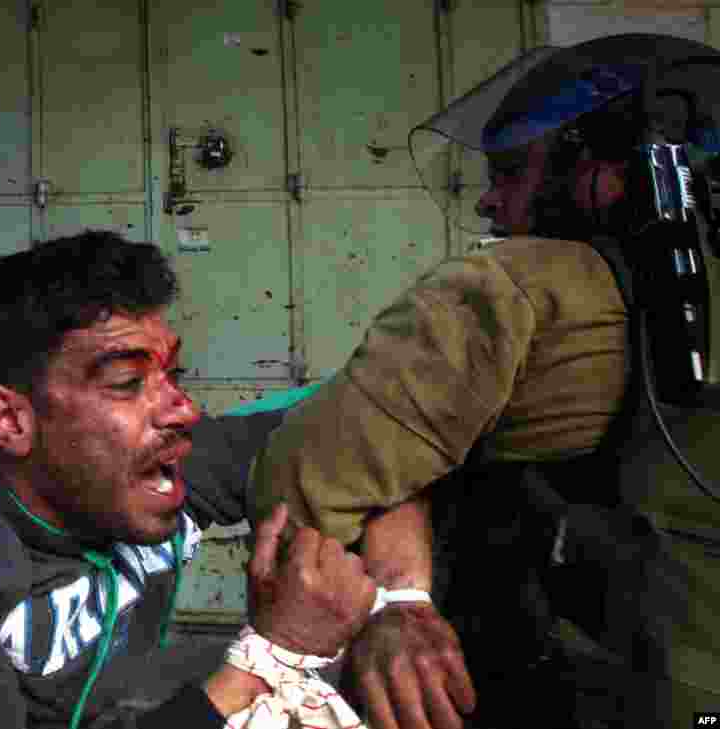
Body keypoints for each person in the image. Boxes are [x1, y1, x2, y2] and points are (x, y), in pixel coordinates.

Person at [250, 33, 720, 729]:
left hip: (562, 693)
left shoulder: (509, 293)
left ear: (595, 174)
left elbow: (301, 484)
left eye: (509, 173)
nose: (490, 203)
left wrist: (392, 604)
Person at [0, 230, 382, 729]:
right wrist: (269, 659)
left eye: (171, 374)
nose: (183, 411)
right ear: (12, 419)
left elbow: (373, 421)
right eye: (127, 384)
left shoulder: (152, 464)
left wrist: (406, 596)